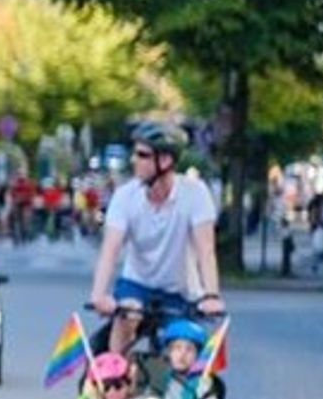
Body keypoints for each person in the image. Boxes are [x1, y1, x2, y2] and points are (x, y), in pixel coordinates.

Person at [89, 120, 224, 355]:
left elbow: (206, 251)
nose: (133, 160)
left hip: (180, 291)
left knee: (183, 349)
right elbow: (110, 251)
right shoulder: (125, 196)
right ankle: (114, 378)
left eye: (142, 155)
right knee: (126, 317)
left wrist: (211, 296)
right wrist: (99, 295)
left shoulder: (195, 193)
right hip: (137, 284)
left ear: (165, 161)